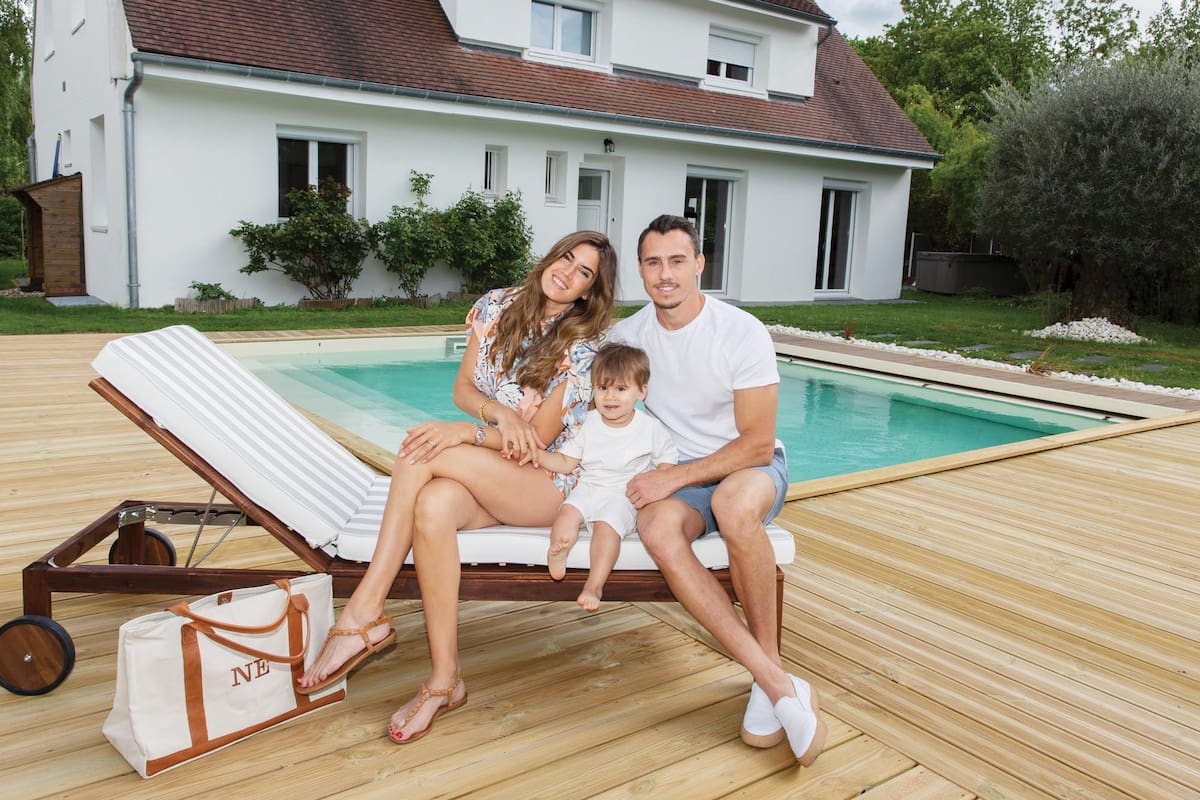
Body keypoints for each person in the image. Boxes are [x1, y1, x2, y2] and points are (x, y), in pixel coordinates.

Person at [296, 230, 618, 745]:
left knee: (425, 448)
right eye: (567, 258)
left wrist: (467, 432)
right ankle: (445, 680)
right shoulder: (495, 305)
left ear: (588, 292)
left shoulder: (583, 348)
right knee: (433, 503)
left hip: (547, 483)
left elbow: (534, 442)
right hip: (495, 469)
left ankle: (363, 611)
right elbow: (464, 388)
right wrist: (494, 413)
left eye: (584, 272)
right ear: (551, 256)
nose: (568, 272)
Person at [607, 214, 826, 766]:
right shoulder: (629, 337)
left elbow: (757, 443)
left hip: (749, 471)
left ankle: (766, 668)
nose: (665, 274)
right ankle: (777, 684)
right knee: (656, 525)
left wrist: (673, 476)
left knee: (732, 504)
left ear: (700, 264)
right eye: (653, 263)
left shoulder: (740, 331)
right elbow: (575, 368)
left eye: (677, 261)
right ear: (640, 270)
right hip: (686, 477)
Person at [528, 343, 677, 611]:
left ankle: (594, 585)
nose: (610, 397)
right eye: (602, 388)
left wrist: (659, 481)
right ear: (593, 388)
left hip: (622, 496)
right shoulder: (589, 423)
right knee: (567, 514)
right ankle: (558, 550)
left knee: (607, 529)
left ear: (641, 391)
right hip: (588, 487)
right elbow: (565, 461)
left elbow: (668, 462)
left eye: (621, 389)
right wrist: (537, 456)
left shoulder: (649, 428)